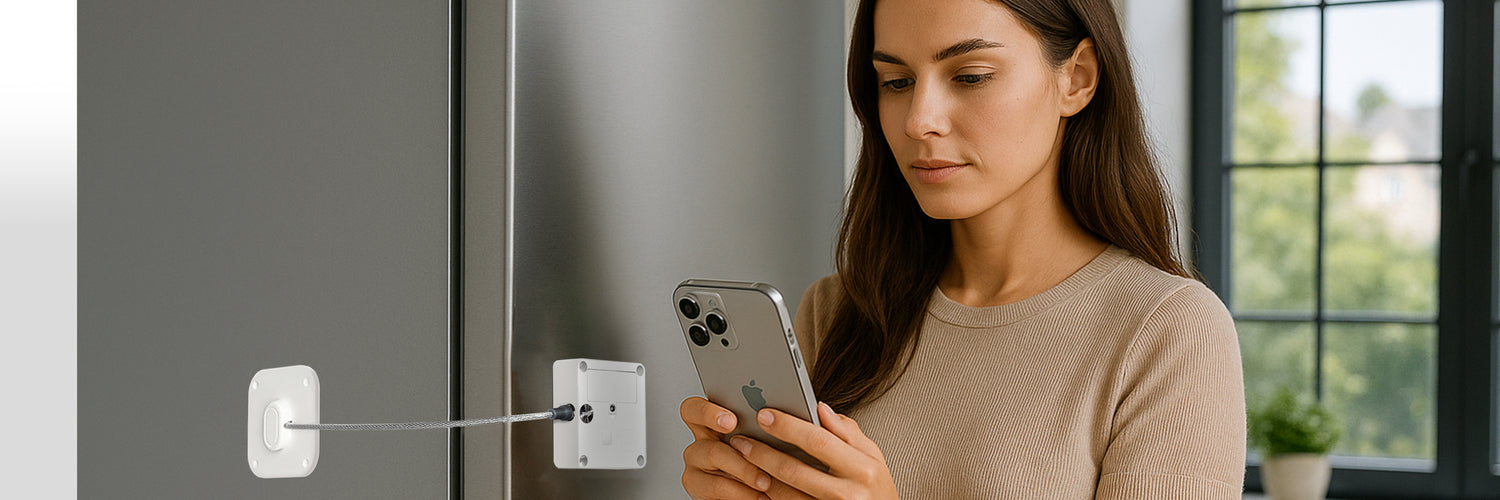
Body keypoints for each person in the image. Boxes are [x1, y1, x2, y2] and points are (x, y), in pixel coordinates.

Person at [679, 0, 1246, 498]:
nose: (919, 121)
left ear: (1076, 78)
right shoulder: (836, 311)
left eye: (971, 76)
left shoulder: (1167, 331)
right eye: (896, 81)